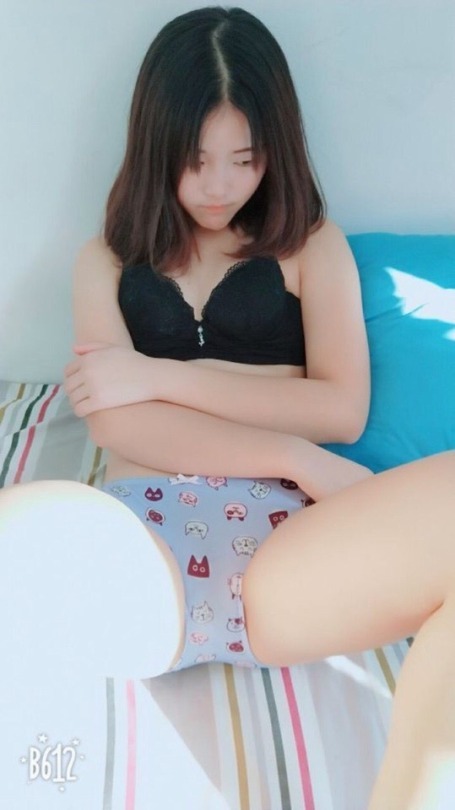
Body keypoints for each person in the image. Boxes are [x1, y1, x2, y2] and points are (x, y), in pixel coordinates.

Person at [1, 7, 454, 808]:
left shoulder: (311, 244)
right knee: (20, 527)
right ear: (156, 147)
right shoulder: (104, 260)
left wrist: (155, 374)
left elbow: (339, 410)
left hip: (299, 543)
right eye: (195, 160)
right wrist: (289, 451)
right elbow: (113, 419)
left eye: (244, 160)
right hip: (147, 534)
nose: (219, 186)